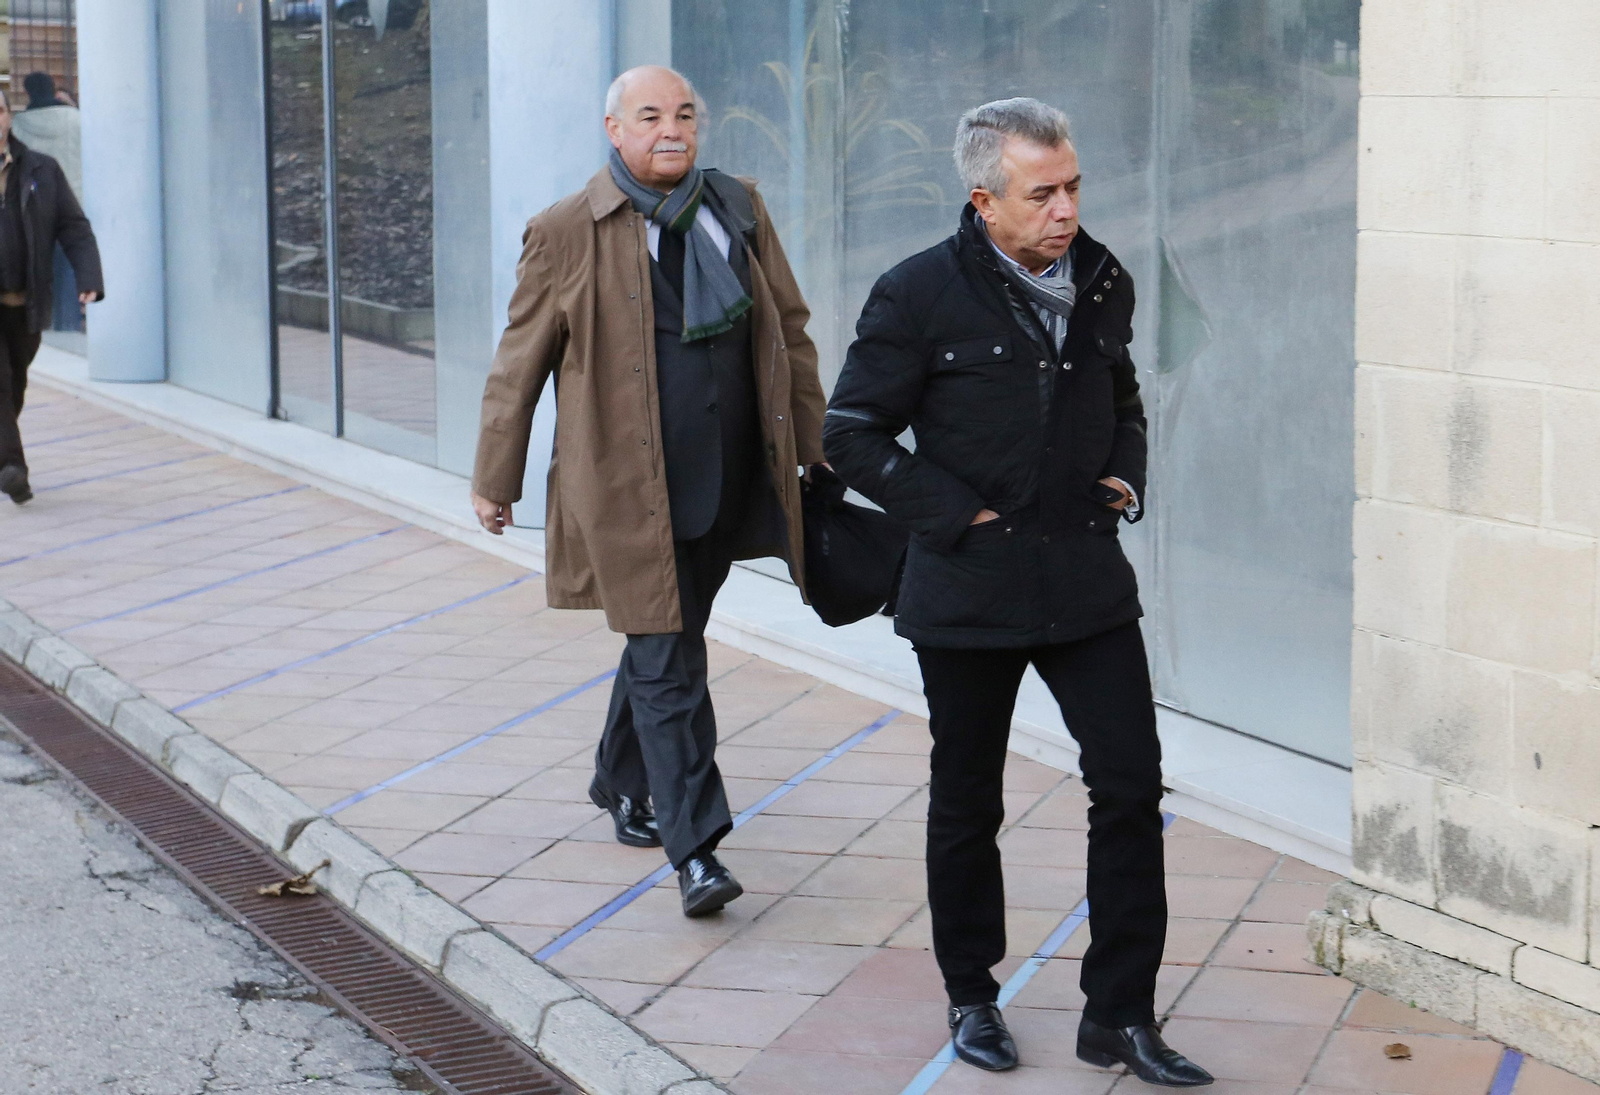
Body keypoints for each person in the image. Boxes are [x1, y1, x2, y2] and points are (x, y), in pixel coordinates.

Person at [822, 98, 1213, 1087]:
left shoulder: (1103, 277)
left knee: (1128, 787)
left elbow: (1121, 391)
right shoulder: (915, 294)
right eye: (1042, 192)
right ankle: (971, 993)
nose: (1065, 208)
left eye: (1072, 185)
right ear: (985, 199)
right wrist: (959, 517)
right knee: (968, 798)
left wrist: (1126, 472)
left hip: (1085, 578)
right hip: (967, 587)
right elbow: (851, 433)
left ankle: (1118, 1014)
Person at [469, 66, 827, 918]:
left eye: (685, 114)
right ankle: (696, 848)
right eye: (652, 115)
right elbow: (518, 363)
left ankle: (616, 777)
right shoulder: (565, 230)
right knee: (671, 659)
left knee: (666, 640)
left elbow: (789, 327)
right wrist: (496, 477)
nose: (673, 129)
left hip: (728, 477)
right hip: (628, 489)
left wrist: (812, 445)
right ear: (614, 129)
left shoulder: (736, 204)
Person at [0, 88, 104, 506]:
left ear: (9, 116)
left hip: (25, 304)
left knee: (17, 385)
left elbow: (74, 227)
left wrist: (89, 275)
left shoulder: (41, 169)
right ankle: (13, 470)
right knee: (0, 385)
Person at [11, 72, 85, 333]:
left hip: (34, 209)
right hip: (75, 203)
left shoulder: (18, 126)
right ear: (54, 89)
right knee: (70, 267)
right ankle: (69, 326)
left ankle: (46, 326)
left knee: (40, 269)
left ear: (28, 92)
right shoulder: (77, 120)